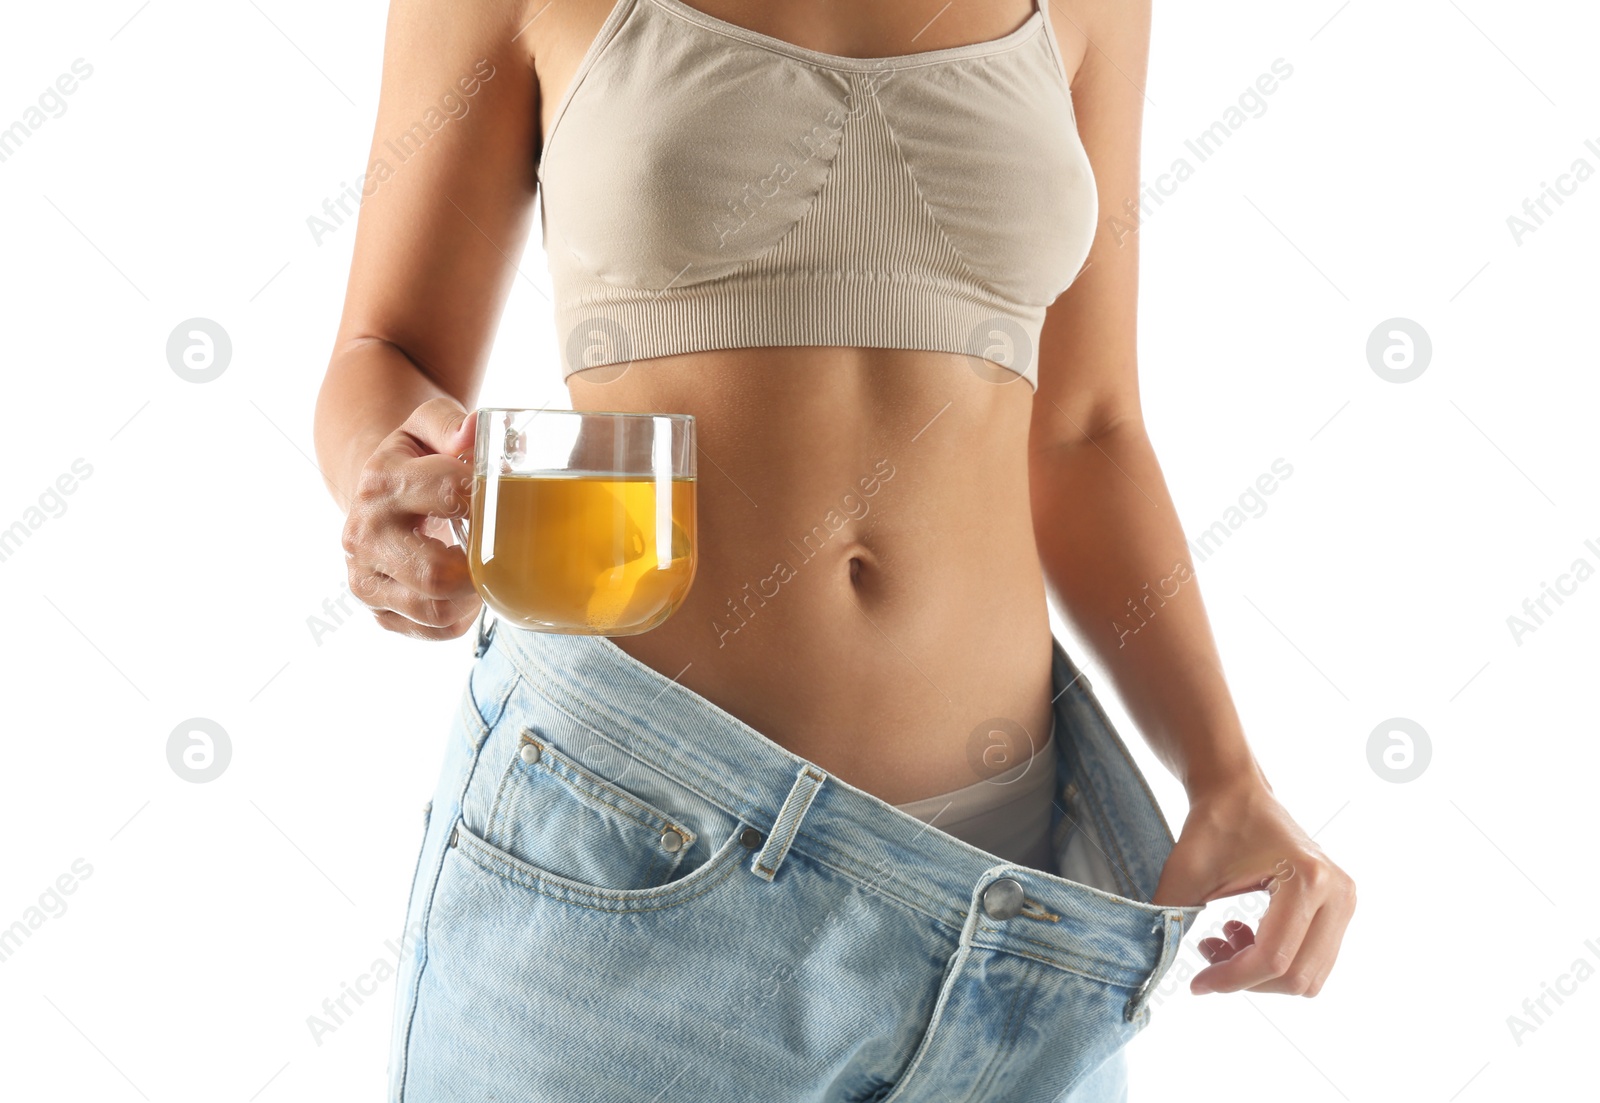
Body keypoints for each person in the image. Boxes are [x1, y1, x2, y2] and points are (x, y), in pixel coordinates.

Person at [312, 0, 1356, 1099]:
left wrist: (1222, 771)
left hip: (1007, 914)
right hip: (629, 849)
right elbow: (384, 351)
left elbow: (1087, 429)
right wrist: (386, 485)